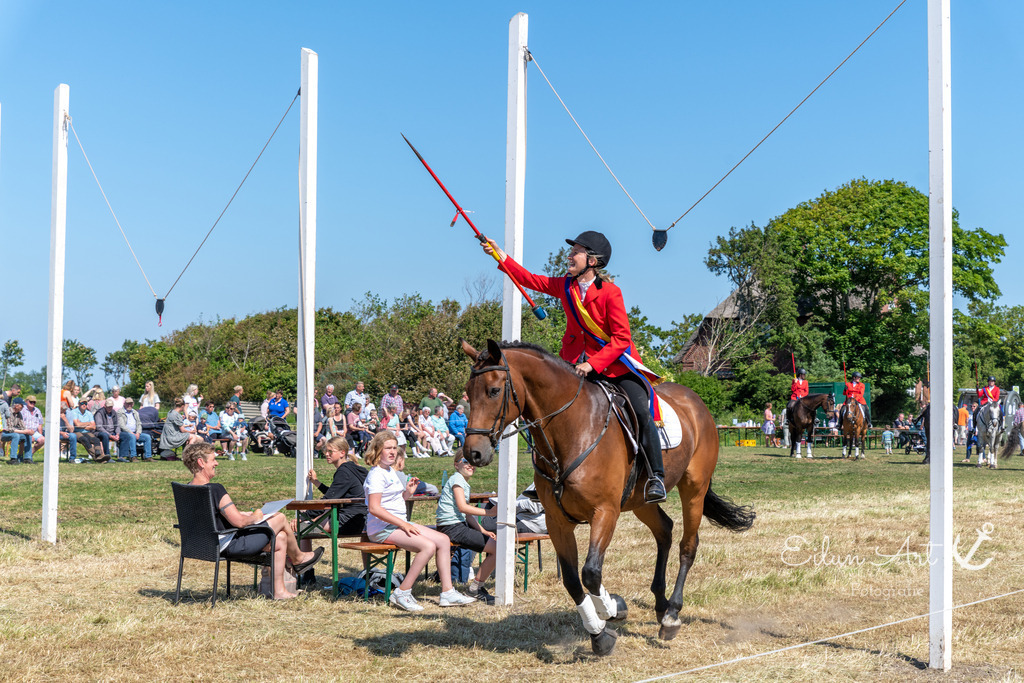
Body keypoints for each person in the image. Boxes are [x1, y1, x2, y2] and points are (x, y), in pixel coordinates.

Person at [482, 229, 667, 502]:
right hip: (572, 365)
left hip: (614, 366)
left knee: (641, 410)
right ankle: (546, 475)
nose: (569, 256)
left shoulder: (611, 293)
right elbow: (529, 279)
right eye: (571, 252)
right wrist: (500, 255)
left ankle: (655, 477)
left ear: (591, 261)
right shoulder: (565, 286)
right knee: (543, 410)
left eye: (575, 252)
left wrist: (593, 364)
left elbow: (621, 339)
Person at [183, 442, 322, 600]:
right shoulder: (215, 489)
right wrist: (256, 516)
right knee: (280, 517)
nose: (216, 463)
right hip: (229, 545)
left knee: (281, 538)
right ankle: (298, 558)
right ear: (201, 462)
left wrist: (242, 514)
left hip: (202, 545)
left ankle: (279, 591)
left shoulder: (188, 489)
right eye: (213, 460)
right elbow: (240, 523)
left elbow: (211, 516)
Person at [362, 430, 474, 611]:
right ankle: (402, 592)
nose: (392, 452)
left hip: (397, 524)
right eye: (388, 448)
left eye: (394, 448)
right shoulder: (376, 475)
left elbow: (393, 502)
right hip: (382, 529)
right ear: (377, 450)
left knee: (443, 540)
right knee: (427, 546)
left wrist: (408, 493)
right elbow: (374, 508)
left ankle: (447, 592)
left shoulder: (390, 471)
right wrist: (403, 524)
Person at [435, 452, 498, 603]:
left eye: (473, 461)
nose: (470, 464)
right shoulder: (457, 479)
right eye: (465, 461)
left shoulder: (461, 481)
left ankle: (476, 587)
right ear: (456, 465)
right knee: (498, 549)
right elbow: (463, 507)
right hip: (452, 527)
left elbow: (467, 515)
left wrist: (483, 531)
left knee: (496, 547)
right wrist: (489, 512)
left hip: (454, 525)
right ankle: (475, 589)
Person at [304, 437, 368, 536]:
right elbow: (334, 493)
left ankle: (305, 547)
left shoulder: (344, 472)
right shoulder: (351, 468)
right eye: (325, 451)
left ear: (342, 453)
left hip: (349, 521)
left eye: (330, 451)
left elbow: (328, 500)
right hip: (361, 518)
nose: (326, 454)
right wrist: (316, 482)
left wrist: (304, 516)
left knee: (302, 528)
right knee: (305, 524)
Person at [481, 483, 548, 535]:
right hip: (524, 517)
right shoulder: (542, 475)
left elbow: (535, 506)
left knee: (481, 523)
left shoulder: (547, 477)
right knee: (484, 501)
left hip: (529, 522)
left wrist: (508, 503)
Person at [118, 397, 153, 461]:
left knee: (147, 437)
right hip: (124, 433)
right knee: (132, 437)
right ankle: (133, 456)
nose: (129, 405)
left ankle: (148, 457)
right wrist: (131, 433)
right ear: (124, 404)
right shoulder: (120, 412)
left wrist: (138, 433)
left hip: (135, 433)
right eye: (128, 404)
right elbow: (122, 426)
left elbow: (139, 424)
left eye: (131, 404)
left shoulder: (135, 412)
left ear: (133, 404)